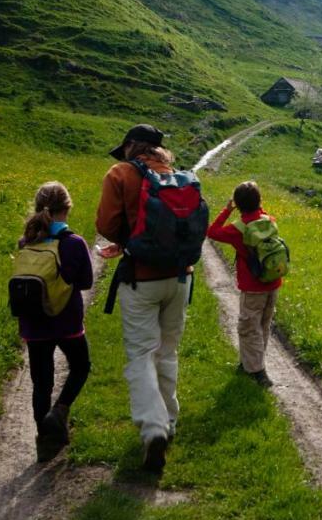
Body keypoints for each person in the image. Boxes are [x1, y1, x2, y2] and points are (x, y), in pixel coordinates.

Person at [95, 124, 191, 473]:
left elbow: (106, 224)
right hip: (180, 278)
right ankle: (170, 421)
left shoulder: (120, 173)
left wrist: (127, 240)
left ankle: (154, 430)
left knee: (141, 354)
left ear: (132, 147)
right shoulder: (177, 176)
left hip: (141, 278)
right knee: (167, 352)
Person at [17, 182, 93, 463]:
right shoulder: (74, 243)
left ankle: (44, 438)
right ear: (67, 208)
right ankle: (60, 411)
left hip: (34, 323)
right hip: (67, 322)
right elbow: (85, 282)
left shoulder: (26, 241)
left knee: (41, 382)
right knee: (81, 366)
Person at [207, 181, 281, 388]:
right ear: (259, 202)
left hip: (252, 286)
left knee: (249, 328)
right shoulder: (269, 220)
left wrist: (227, 210)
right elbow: (259, 213)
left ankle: (258, 371)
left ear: (238, 205)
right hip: (273, 282)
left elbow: (211, 232)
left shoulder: (238, 229)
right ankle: (251, 363)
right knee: (263, 325)